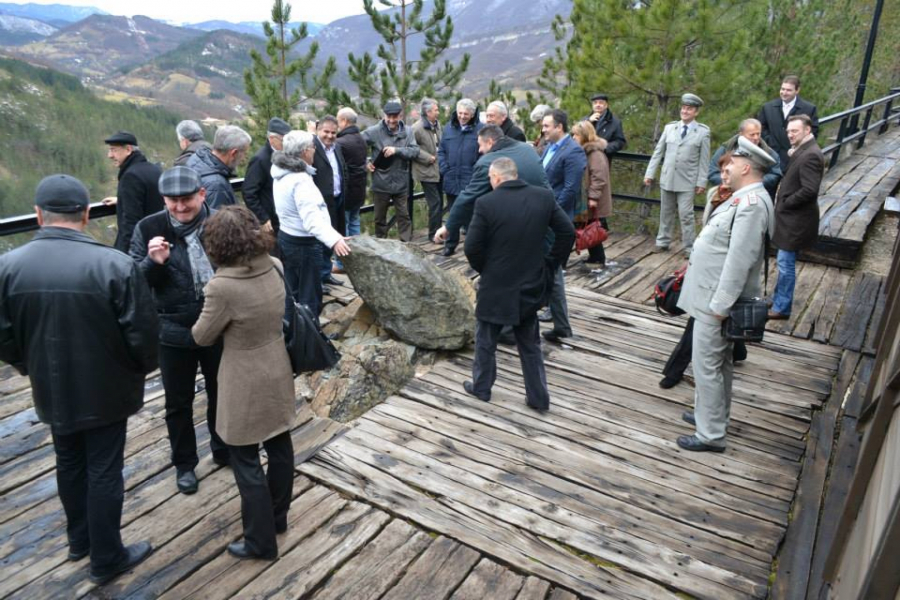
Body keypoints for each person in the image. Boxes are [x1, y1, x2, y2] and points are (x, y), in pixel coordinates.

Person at [0, 174, 158, 584]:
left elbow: (4, 335)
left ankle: (79, 541)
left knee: (68, 460)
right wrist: (137, 369)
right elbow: (142, 335)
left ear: (38, 214)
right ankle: (106, 559)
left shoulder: (7, 267)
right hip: (107, 388)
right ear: (86, 214)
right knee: (104, 468)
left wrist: (28, 364)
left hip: (50, 384)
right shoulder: (115, 265)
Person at [191, 206, 296, 561]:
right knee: (279, 444)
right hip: (277, 364)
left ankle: (260, 542)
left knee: (244, 455)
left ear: (217, 245)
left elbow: (202, 336)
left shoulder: (221, 288)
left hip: (242, 379)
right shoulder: (275, 266)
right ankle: (278, 518)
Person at [130, 166, 229, 494]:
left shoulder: (221, 223)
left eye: (187, 199)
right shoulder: (149, 227)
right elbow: (133, 284)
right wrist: (152, 262)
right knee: (178, 402)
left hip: (218, 325)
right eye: (173, 201)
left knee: (222, 392)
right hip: (172, 330)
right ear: (164, 199)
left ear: (202, 194)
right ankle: (184, 464)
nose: (180, 207)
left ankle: (223, 447)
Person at [675, 137, 775, 452]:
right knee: (719, 364)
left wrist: (721, 305)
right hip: (709, 295)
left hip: (715, 301)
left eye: (731, 163)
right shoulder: (741, 198)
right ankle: (711, 416)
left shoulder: (751, 205)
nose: (725, 168)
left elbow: (739, 260)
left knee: (707, 366)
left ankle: (711, 435)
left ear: (746, 167)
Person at [463, 158, 575, 412]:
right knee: (530, 343)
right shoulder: (543, 197)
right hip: (530, 281)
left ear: (496, 178)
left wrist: (486, 268)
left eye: (490, 179)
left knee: (486, 338)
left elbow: (471, 247)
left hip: (496, 283)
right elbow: (567, 232)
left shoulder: (486, 203)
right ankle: (538, 398)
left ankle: (482, 388)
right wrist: (550, 264)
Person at [660, 153, 747, 390]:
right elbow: (707, 229)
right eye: (722, 171)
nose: (724, 176)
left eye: (729, 171)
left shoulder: (745, 204)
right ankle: (739, 350)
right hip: (704, 267)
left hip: (721, 274)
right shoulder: (715, 194)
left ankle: (673, 371)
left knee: (698, 321)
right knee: (709, 318)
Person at [434, 125, 550, 255]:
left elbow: (467, 197)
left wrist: (448, 226)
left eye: (480, 145)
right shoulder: (527, 149)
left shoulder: (487, 162)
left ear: (490, 142)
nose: (479, 150)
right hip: (547, 219)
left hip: (519, 229)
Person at [272, 130, 351, 316]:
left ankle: (291, 328)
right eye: (313, 147)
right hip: (304, 245)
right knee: (310, 296)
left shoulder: (281, 172)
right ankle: (310, 332)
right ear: (305, 151)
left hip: (286, 238)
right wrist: (335, 240)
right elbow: (312, 220)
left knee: (292, 292)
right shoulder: (300, 180)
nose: (315, 150)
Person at [769, 114, 824, 320]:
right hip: (791, 219)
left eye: (795, 131)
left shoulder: (811, 155)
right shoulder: (803, 150)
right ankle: (778, 300)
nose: (790, 134)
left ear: (807, 130)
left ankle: (781, 307)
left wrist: (786, 202)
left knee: (785, 265)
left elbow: (810, 190)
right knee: (784, 263)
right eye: (789, 131)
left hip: (796, 220)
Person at [539, 109, 587, 343]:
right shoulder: (548, 147)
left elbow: (570, 189)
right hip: (542, 217)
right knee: (547, 267)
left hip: (555, 220)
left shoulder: (574, 151)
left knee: (553, 269)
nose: (543, 130)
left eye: (547, 126)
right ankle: (553, 314)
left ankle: (560, 323)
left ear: (559, 127)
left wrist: (550, 213)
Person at [644, 93, 710, 256]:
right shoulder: (670, 128)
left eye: (689, 109)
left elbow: (704, 160)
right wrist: (649, 173)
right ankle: (662, 242)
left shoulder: (702, 132)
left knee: (686, 215)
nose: (685, 111)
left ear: (696, 112)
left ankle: (689, 247)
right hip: (668, 178)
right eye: (684, 108)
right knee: (665, 213)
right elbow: (658, 153)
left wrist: (701, 182)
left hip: (687, 181)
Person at [362, 101, 420, 241]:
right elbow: (356, 144)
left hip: (401, 182)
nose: (392, 120)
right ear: (384, 115)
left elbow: (415, 151)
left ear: (400, 116)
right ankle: (382, 245)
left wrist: (397, 151)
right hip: (381, 182)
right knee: (379, 218)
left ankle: (406, 244)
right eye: (389, 116)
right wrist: (365, 162)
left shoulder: (408, 131)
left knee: (404, 216)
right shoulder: (374, 131)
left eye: (395, 116)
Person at [103, 131, 164, 253]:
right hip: (157, 243)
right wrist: (122, 200)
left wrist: (124, 254)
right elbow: (149, 200)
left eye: (114, 150)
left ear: (128, 149)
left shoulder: (130, 176)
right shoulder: (154, 169)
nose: (110, 155)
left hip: (140, 249)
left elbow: (130, 222)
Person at [312, 115, 348, 286]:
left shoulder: (337, 147)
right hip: (320, 203)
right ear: (318, 130)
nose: (330, 136)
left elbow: (342, 169)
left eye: (333, 133)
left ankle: (326, 274)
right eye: (326, 132)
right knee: (319, 242)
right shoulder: (311, 148)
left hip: (337, 199)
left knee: (331, 238)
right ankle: (318, 279)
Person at [243, 118, 291, 242]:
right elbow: (249, 192)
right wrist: (263, 218)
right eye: (283, 140)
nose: (287, 144)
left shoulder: (286, 155)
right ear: (271, 138)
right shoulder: (260, 159)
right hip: (271, 221)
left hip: (284, 219)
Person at [571, 120, 612, 266]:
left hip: (593, 198)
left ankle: (598, 257)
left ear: (584, 136)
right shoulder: (585, 151)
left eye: (576, 135)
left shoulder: (595, 154)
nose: (573, 137)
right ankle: (596, 257)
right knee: (589, 226)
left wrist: (593, 197)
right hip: (586, 196)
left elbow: (599, 178)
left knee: (592, 227)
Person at [438, 98, 482, 233]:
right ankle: (451, 242)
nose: (462, 116)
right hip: (451, 178)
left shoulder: (481, 130)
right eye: (460, 113)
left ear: (472, 115)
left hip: (470, 181)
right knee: (452, 215)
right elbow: (441, 150)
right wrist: (444, 168)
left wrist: (476, 172)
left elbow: (485, 154)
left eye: (466, 114)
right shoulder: (448, 128)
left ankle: (470, 242)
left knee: (470, 216)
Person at [708, 118, 783, 198]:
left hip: (757, 195)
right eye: (752, 134)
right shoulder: (726, 149)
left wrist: (754, 183)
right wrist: (730, 182)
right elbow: (712, 172)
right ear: (741, 134)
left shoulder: (769, 153)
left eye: (758, 134)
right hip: (728, 195)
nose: (756, 138)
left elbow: (775, 174)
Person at [758, 75, 819, 169]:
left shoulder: (809, 109)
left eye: (788, 90)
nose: (784, 93)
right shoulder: (768, 107)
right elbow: (761, 127)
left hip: (795, 158)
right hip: (771, 156)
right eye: (782, 89)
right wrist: (770, 142)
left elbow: (813, 131)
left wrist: (798, 147)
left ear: (797, 90)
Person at [187, 125, 252, 209]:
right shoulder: (217, 185)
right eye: (244, 153)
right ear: (234, 153)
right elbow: (217, 217)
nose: (244, 158)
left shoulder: (197, 158)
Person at [412, 98, 444, 240]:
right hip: (426, 171)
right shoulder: (417, 128)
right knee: (435, 203)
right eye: (436, 110)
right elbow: (411, 147)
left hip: (439, 170)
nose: (438, 112)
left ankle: (439, 232)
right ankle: (433, 235)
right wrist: (427, 157)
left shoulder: (437, 125)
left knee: (440, 202)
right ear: (428, 112)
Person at [582, 93, 627, 159]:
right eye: (595, 103)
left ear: (606, 105)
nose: (598, 105)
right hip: (584, 157)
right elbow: (575, 136)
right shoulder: (585, 120)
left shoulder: (615, 122)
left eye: (601, 103)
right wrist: (588, 122)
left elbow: (620, 142)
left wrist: (604, 148)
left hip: (603, 159)